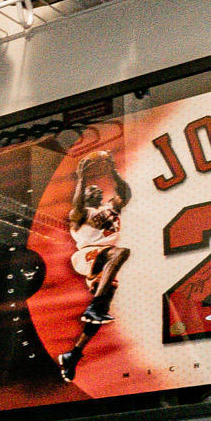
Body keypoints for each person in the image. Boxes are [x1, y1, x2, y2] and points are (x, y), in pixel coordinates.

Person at [59, 149, 130, 384]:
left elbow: (125, 193)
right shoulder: (79, 213)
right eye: (92, 189)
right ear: (85, 194)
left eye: (98, 188)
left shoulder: (110, 208)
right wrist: (81, 179)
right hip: (88, 255)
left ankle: (73, 355)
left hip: (105, 262)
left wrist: (113, 170)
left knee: (95, 321)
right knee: (121, 251)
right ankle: (95, 306)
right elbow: (77, 203)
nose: (97, 189)